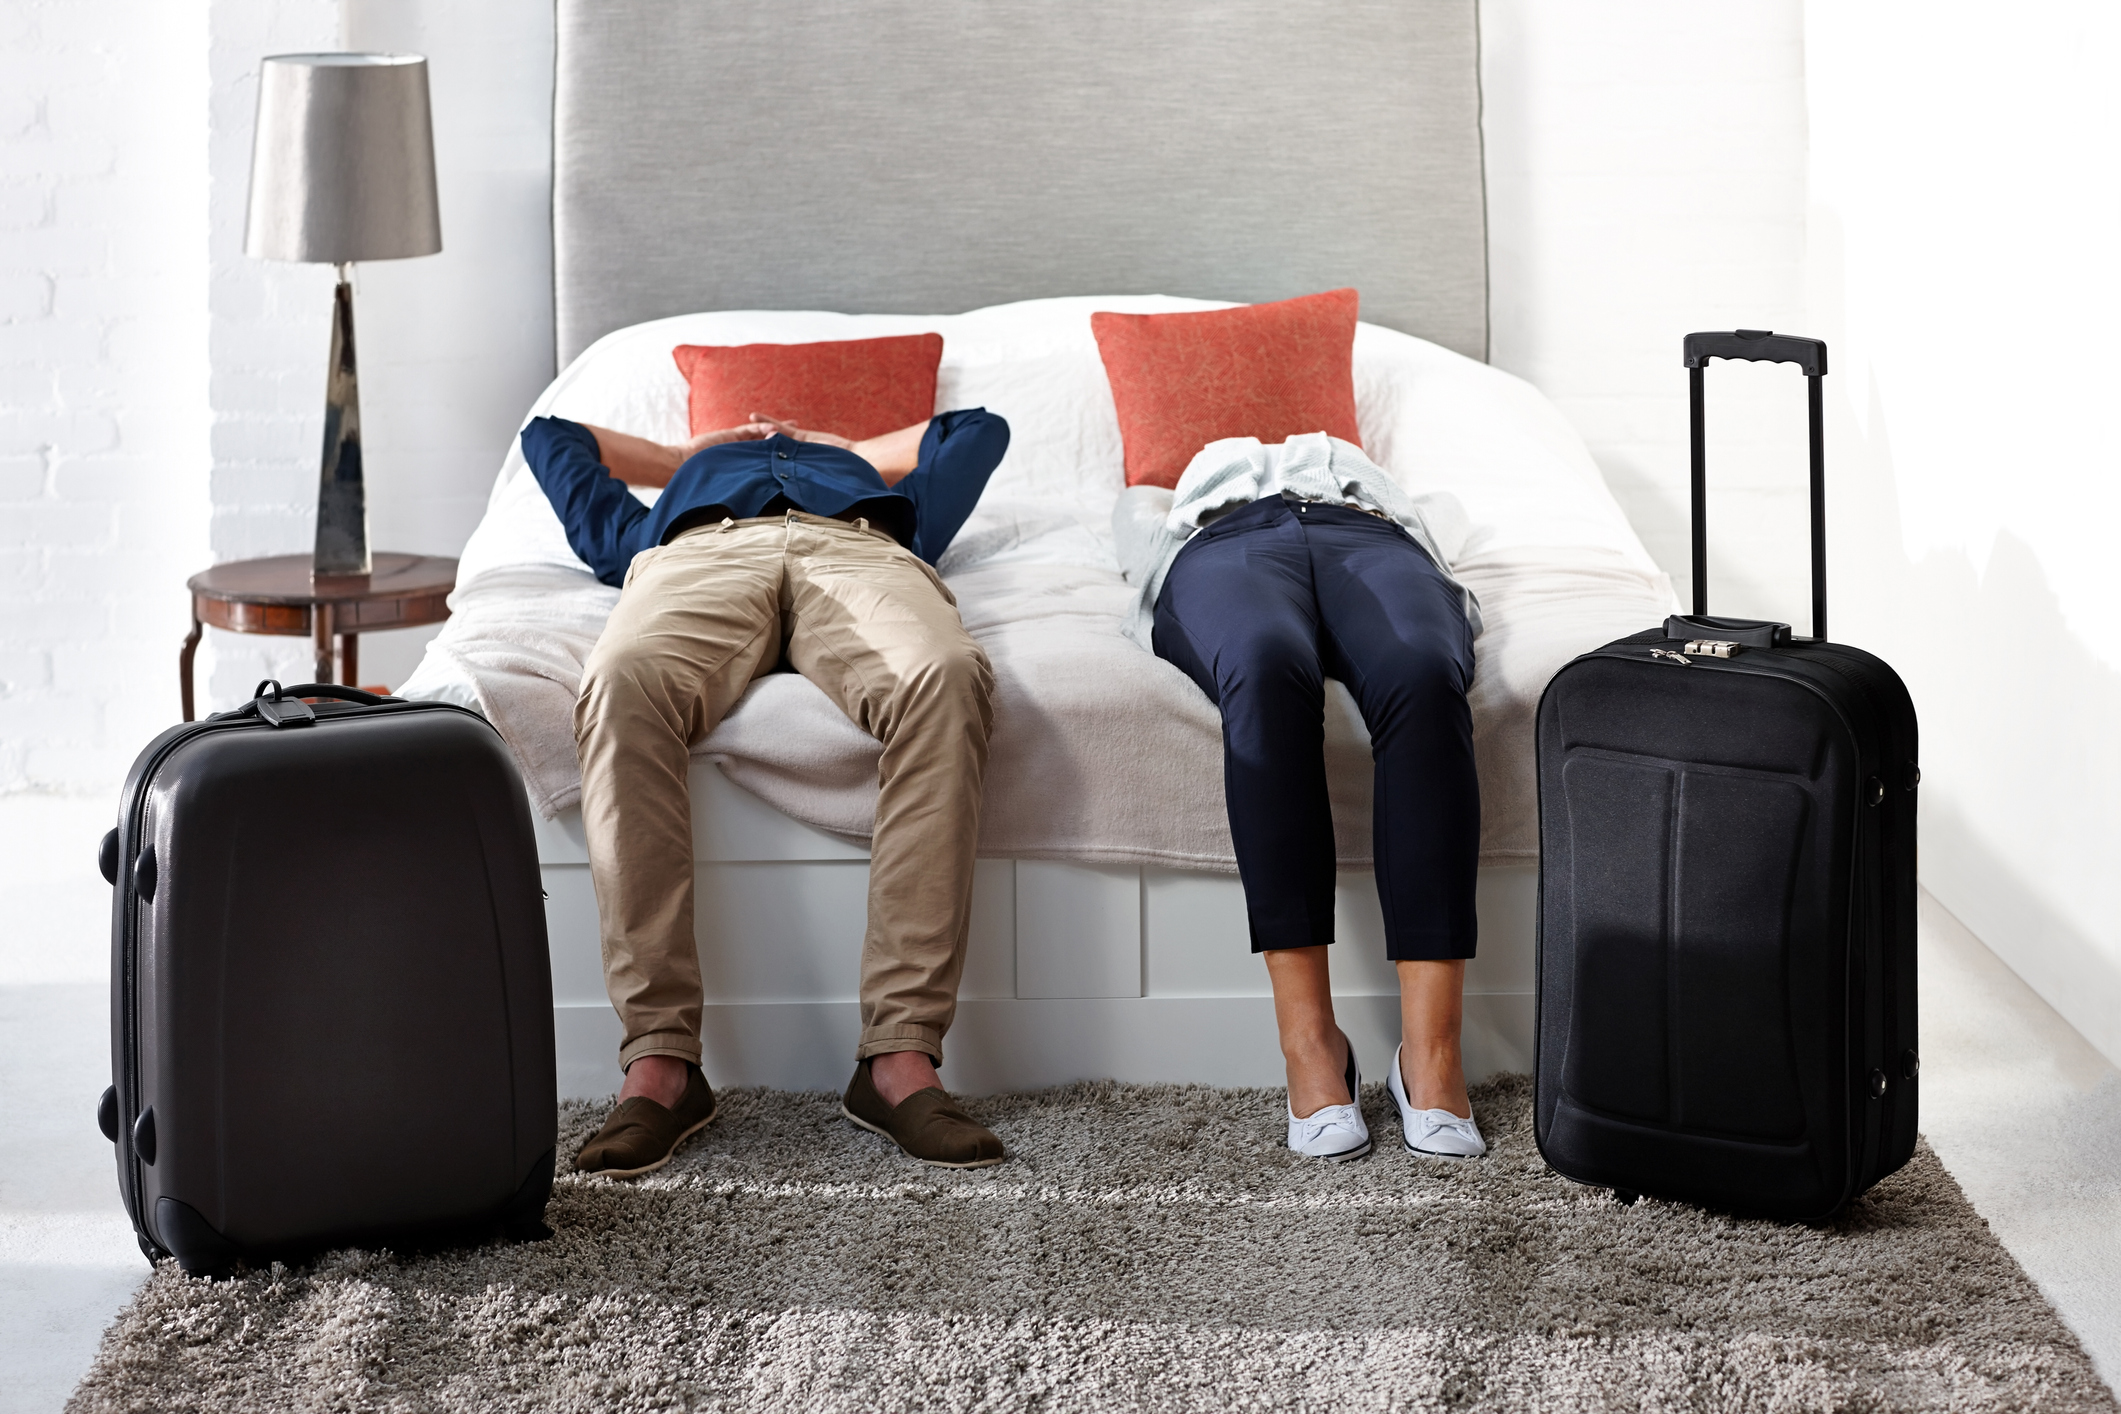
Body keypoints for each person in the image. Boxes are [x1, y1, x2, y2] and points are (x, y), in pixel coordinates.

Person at [519, 403, 1011, 1174]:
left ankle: (898, 1061)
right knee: (618, 681)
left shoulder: (890, 501)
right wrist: (684, 453)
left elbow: (977, 430)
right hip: (697, 558)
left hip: (860, 553)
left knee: (945, 677)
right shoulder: (662, 508)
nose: (775, 436)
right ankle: (659, 1065)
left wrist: (841, 443)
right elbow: (549, 436)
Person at [1114, 431, 1486, 1161]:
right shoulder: (1176, 492)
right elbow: (1134, 531)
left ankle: (1432, 1053)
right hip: (1224, 544)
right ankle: (1310, 1043)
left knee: (1420, 673)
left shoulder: (1376, 483)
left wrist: (1395, 513)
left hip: (1372, 539)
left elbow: (1447, 518)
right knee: (1260, 665)